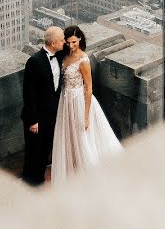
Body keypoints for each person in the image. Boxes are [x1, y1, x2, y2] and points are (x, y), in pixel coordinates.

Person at [52, 25, 122, 184]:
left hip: (80, 101)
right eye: (68, 42)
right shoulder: (64, 55)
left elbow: (89, 88)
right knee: (69, 136)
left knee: (83, 139)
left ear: (80, 39)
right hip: (66, 101)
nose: (71, 46)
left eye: (74, 42)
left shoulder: (83, 60)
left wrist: (85, 116)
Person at [21, 26, 65, 185]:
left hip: (51, 114)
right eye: (61, 40)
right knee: (33, 151)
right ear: (53, 43)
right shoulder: (34, 61)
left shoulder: (59, 56)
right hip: (36, 118)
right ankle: (28, 184)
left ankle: (38, 180)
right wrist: (33, 120)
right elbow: (29, 93)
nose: (64, 42)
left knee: (45, 150)